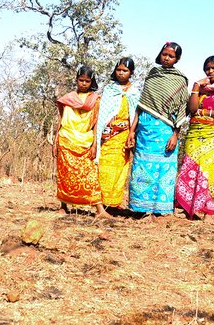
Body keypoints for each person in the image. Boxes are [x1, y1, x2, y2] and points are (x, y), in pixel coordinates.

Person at [127, 42, 189, 215]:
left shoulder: (180, 80)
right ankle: (139, 207)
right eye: (164, 54)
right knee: (141, 164)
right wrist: (132, 130)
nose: (167, 58)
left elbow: (182, 110)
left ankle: (160, 209)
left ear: (177, 59)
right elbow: (141, 105)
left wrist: (175, 134)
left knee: (163, 168)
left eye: (171, 56)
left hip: (165, 130)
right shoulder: (152, 75)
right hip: (144, 128)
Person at [175, 56, 214, 219]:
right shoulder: (201, 88)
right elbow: (192, 108)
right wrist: (196, 87)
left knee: (210, 171)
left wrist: (205, 112)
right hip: (195, 132)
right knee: (191, 167)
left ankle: (208, 212)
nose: (210, 72)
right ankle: (188, 207)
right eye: (207, 69)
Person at [54, 66, 109, 217]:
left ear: (91, 82)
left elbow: (97, 122)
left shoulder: (95, 99)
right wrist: (55, 140)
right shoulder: (67, 99)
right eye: (81, 80)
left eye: (87, 81)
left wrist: (95, 144)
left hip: (86, 140)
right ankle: (63, 206)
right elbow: (61, 120)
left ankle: (99, 210)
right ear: (76, 80)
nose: (83, 83)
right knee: (65, 174)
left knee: (90, 174)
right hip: (66, 139)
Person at [95, 57, 140, 210]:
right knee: (104, 166)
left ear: (131, 73)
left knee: (121, 168)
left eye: (125, 70)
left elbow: (136, 115)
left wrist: (131, 133)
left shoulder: (135, 92)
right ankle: (102, 202)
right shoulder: (109, 90)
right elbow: (103, 113)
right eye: (119, 70)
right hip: (108, 136)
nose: (121, 73)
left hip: (125, 135)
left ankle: (114, 203)